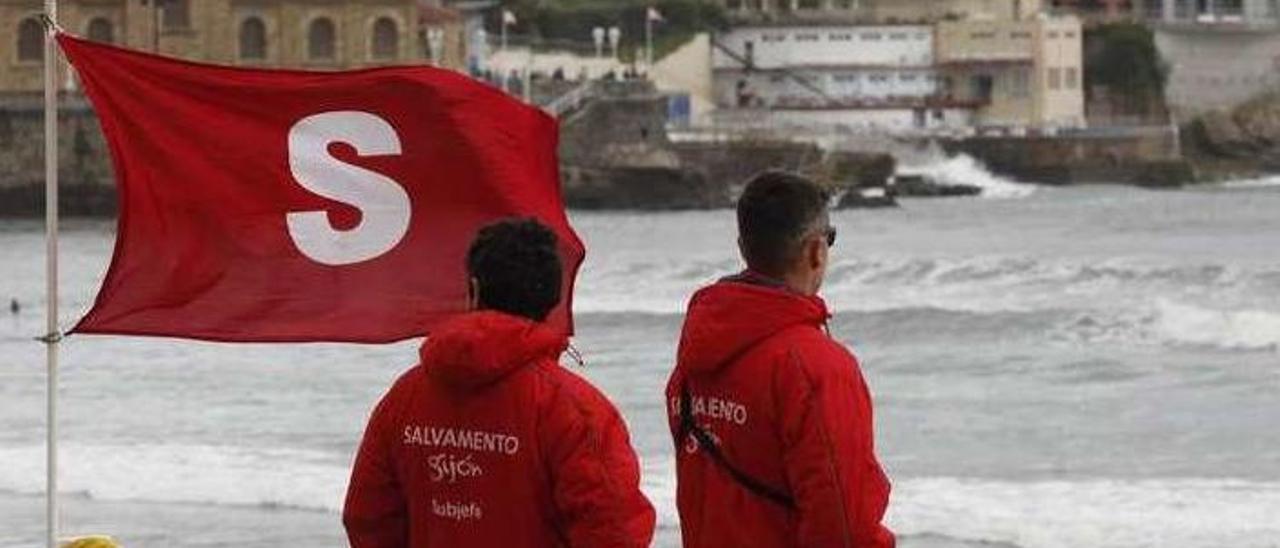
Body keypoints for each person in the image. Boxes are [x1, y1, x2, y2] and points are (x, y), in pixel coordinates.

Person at [344, 218, 655, 548]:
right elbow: (614, 531)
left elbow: (368, 519)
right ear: (553, 300)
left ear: (474, 289)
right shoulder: (573, 409)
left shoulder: (404, 397)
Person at [666, 171, 895, 548]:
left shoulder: (694, 356)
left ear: (743, 247)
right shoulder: (815, 366)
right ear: (816, 251)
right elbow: (841, 521)